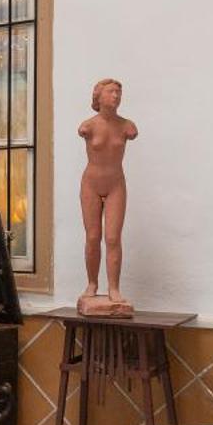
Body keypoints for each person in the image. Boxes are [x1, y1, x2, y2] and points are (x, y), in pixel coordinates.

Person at [77, 77, 136, 316]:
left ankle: (114, 287)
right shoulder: (88, 126)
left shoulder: (127, 126)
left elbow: (130, 132)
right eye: (111, 92)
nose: (116, 96)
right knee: (93, 237)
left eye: (119, 92)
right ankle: (92, 283)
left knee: (113, 238)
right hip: (91, 184)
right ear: (99, 96)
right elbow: (85, 131)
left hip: (115, 185)